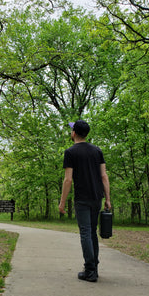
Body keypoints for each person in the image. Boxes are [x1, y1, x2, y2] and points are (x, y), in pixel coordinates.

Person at [59, 120, 111, 282]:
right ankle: (93, 267)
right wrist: (108, 199)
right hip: (97, 197)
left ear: (74, 133)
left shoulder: (70, 152)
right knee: (92, 232)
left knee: (86, 233)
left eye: (71, 130)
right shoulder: (97, 151)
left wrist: (62, 203)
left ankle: (90, 271)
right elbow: (104, 176)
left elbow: (68, 180)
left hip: (82, 198)